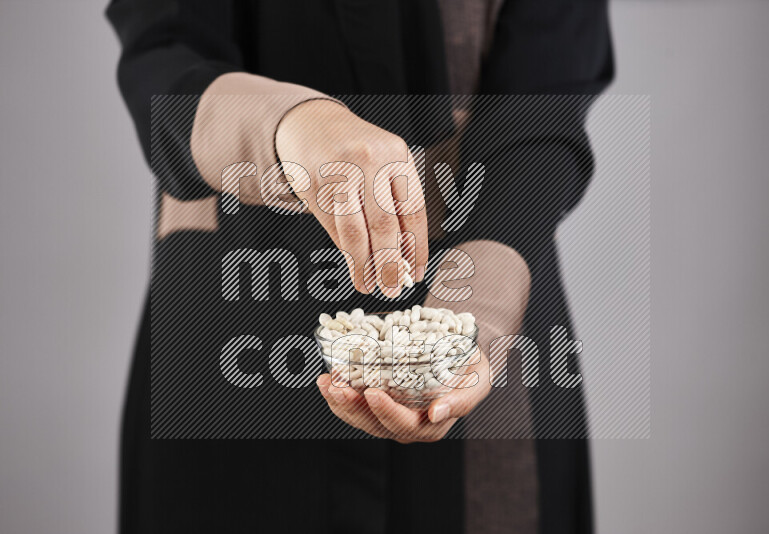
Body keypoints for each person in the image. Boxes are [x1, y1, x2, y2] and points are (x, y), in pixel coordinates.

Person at [107, 0, 613, 532]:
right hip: (231, 319)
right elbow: (163, 53)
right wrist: (291, 124)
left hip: (489, 301)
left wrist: (478, 308)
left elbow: (546, 100)